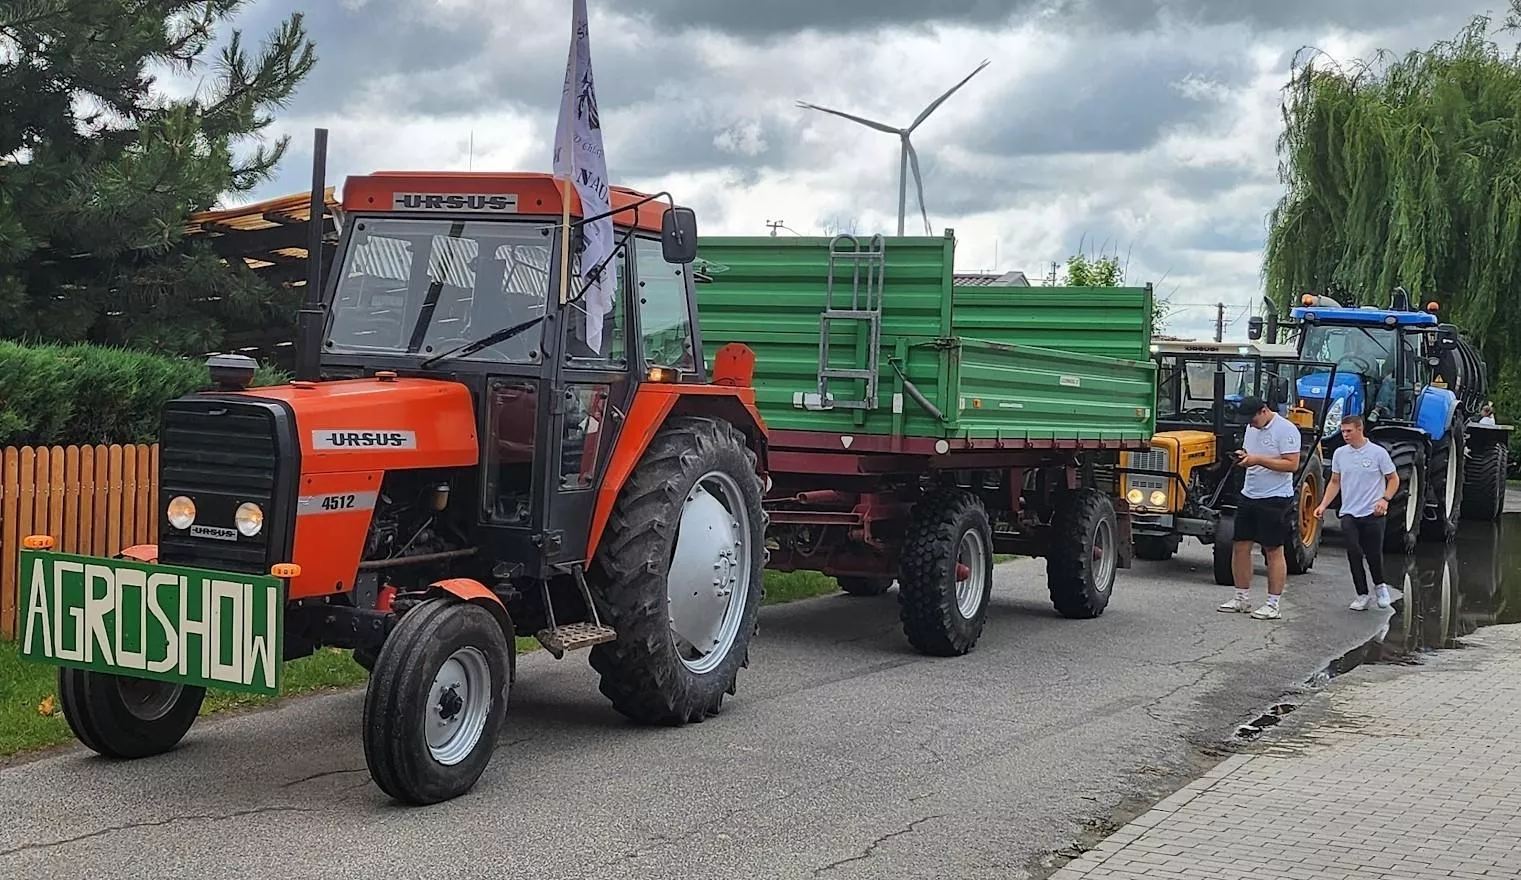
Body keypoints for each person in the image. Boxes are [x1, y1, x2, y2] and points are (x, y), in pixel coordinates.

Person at [1217, 396, 1302, 620]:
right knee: (1240, 545)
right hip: (1249, 493)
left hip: (1275, 498)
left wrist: (1257, 460)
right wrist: (1245, 457)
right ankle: (1241, 597)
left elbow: (1291, 464)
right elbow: (1251, 454)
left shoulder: (1286, 429)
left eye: (1252, 418)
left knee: (1273, 549)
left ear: (1264, 411)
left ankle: (1273, 604)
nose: (1250, 423)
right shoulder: (1251, 428)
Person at [1314, 415, 1399, 610]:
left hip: (1373, 511)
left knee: (1373, 553)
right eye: (1343, 431)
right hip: (1349, 512)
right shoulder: (1340, 454)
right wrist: (1323, 505)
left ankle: (1380, 586)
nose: (1345, 435)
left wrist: (1385, 500)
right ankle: (1362, 593)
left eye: (1348, 431)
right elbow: (1335, 482)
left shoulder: (1378, 453)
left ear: (1360, 429)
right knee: (1353, 551)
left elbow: (1393, 479)